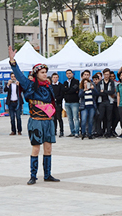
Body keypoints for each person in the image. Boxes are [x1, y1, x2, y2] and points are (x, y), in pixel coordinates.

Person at [8, 47, 61, 185]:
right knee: (36, 147)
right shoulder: (30, 85)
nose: (45, 74)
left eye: (46, 72)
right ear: (36, 73)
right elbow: (19, 75)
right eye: (42, 72)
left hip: (48, 121)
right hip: (36, 121)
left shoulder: (48, 86)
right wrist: (13, 61)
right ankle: (33, 175)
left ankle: (48, 174)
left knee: (48, 148)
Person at [95, 68, 115, 137]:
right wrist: (107, 93)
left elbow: (112, 92)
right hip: (101, 102)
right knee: (100, 117)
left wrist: (104, 91)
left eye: (108, 74)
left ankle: (108, 132)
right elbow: (98, 92)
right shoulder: (100, 82)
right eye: (105, 74)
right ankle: (99, 132)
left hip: (109, 102)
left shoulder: (111, 82)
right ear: (103, 75)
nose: (106, 76)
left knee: (109, 118)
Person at [63, 69, 80, 137]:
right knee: (69, 118)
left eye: (70, 73)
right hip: (67, 102)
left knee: (75, 118)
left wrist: (67, 90)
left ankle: (76, 132)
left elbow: (74, 89)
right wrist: (68, 91)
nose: (68, 74)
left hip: (74, 102)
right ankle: (72, 132)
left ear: (72, 74)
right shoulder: (65, 82)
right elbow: (63, 91)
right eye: (67, 73)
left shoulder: (76, 81)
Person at [50, 73, 65, 137]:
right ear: (52, 78)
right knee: (54, 118)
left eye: (56, 77)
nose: (55, 78)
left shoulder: (60, 85)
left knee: (59, 118)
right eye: (54, 77)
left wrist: (56, 99)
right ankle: (54, 131)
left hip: (58, 103)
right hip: (52, 104)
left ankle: (61, 131)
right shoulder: (50, 86)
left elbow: (62, 95)